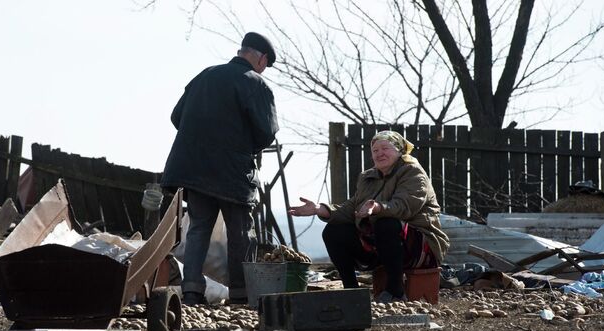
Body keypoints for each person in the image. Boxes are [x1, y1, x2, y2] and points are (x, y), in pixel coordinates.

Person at [161, 32, 279, 305]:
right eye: (265, 64)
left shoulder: (204, 76)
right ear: (260, 58)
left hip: (194, 168)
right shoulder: (255, 84)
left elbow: (176, 117)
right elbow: (266, 133)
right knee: (240, 232)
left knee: (199, 228)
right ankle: (239, 294)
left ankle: (191, 291)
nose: (263, 69)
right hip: (232, 172)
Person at [289, 130, 449, 303]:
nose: (379, 153)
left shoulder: (413, 173)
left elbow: (405, 206)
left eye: (385, 148)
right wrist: (320, 209)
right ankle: (352, 291)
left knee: (386, 223)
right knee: (333, 231)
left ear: (399, 150)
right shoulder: (368, 177)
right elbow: (352, 208)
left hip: (420, 246)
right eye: (375, 150)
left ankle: (395, 290)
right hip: (382, 245)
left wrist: (379, 207)